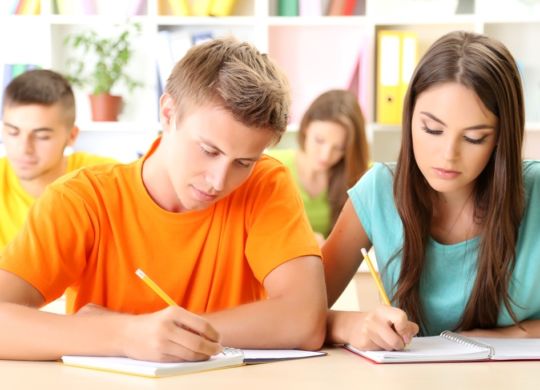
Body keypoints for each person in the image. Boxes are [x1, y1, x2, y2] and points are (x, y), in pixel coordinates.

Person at [0, 38, 327, 362]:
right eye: (208, 150)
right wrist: (125, 335)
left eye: (243, 162)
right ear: (168, 113)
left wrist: (153, 334)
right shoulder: (82, 199)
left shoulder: (265, 183)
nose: (218, 181)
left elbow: (304, 318)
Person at [323, 30, 540, 351]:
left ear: (500, 139)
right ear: (410, 117)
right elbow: (296, 316)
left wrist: (511, 335)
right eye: (432, 129)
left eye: (474, 138)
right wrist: (351, 324)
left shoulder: (535, 192)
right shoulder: (378, 190)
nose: (447, 154)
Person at [0, 69, 117, 250]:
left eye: (42, 136)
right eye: (13, 132)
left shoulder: (105, 179)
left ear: (71, 135)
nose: (24, 148)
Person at [270, 90, 369, 244]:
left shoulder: (359, 175)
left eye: (339, 148)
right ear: (306, 127)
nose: (326, 156)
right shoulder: (272, 167)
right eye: (319, 140)